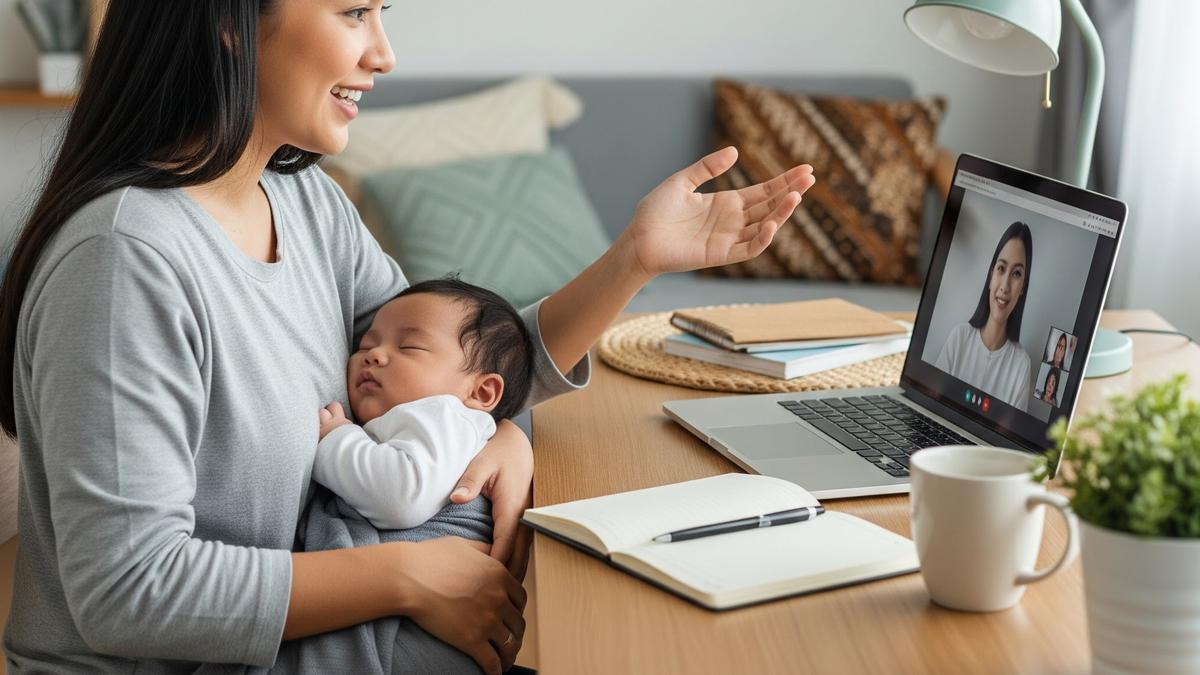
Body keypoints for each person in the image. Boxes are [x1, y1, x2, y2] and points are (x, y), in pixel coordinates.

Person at [0, 2, 816, 673]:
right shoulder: (125, 260)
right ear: (231, 20)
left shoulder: (306, 205)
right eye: (355, 12)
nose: (384, 53)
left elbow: (464, 359)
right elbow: (126, 590)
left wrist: (631, 265)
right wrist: (406, 577)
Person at [314, 278, 534, 531]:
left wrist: (336, 439)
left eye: (409, 347)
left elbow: (400, 498)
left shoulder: (446, 416)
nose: (373, 355)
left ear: (481, 393)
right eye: (366, 345)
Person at [934, 222, 1034, 412]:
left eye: (1016, 273)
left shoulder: (1021, 364)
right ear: (991, 276)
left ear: (1023, 288)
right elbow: (933, 401)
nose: (1005, 286)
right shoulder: (960, 337)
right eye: (1001, 268)